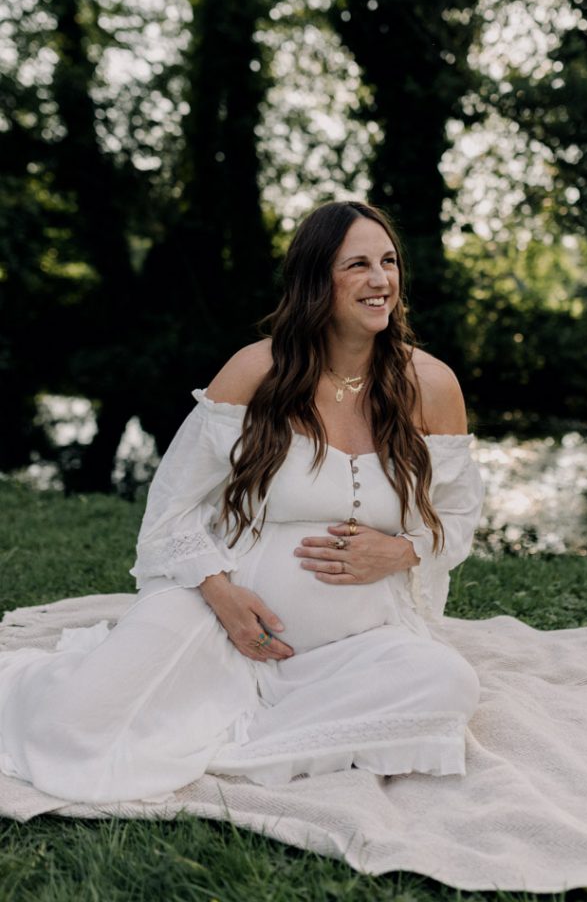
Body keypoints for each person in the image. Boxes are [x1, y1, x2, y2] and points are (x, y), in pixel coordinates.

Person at [0, 200, 484, 804]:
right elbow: (172, 507)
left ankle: (245, 729)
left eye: (388, 262)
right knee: (74, 724)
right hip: (218, 616)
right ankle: (234, 709)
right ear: (315, 280)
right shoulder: (257, 372)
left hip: (356, 644)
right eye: (357, 265)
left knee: (448, 686)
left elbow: (460, 517)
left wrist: (400, 552)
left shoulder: (432, 385)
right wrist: (220, 593)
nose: (381, 280)